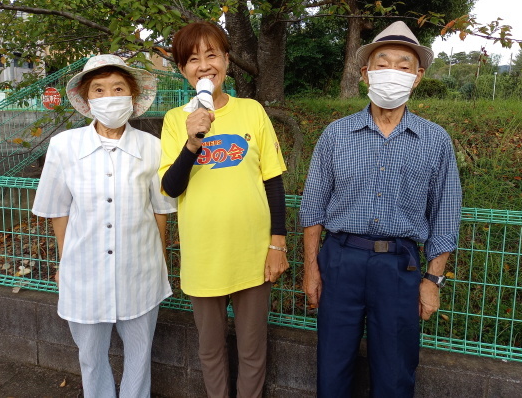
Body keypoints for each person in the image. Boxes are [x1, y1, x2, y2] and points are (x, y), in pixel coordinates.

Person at [299, 21, 462, 397]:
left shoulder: (435, 140)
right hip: (340, 261)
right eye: (382, 63)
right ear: (365, 74)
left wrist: (433, 280)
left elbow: (446, 214)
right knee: (333, 367)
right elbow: (312, 209)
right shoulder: (336, 134)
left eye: (403, 66)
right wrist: (312, 270)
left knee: (395, 372)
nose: (392, 72)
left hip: (400, 267)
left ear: (417, 77)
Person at [32, 54, 176, 398]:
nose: (108, 95)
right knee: (91, 356)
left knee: (140, 354)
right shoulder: (64, 146)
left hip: (140, 271)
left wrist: (160, 261)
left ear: (132, 96)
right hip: (83, 272)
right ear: (86, 98)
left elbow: (160, 211)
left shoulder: (153, 148)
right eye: (99, 89)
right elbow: (58, 210)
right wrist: (65, 260)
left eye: (117, 88)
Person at [158, 21, 288, 398]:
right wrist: (191, 141)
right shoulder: (173, 121)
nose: (204, 65)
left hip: (252, 255)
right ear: (183, 70)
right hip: (204, 256)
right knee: (210, 349)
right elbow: (170, 187)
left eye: (212, 54)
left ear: (226, 61)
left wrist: (276, 244)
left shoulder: (252, 111)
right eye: (193, 59)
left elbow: (273, 182)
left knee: (252, 349)